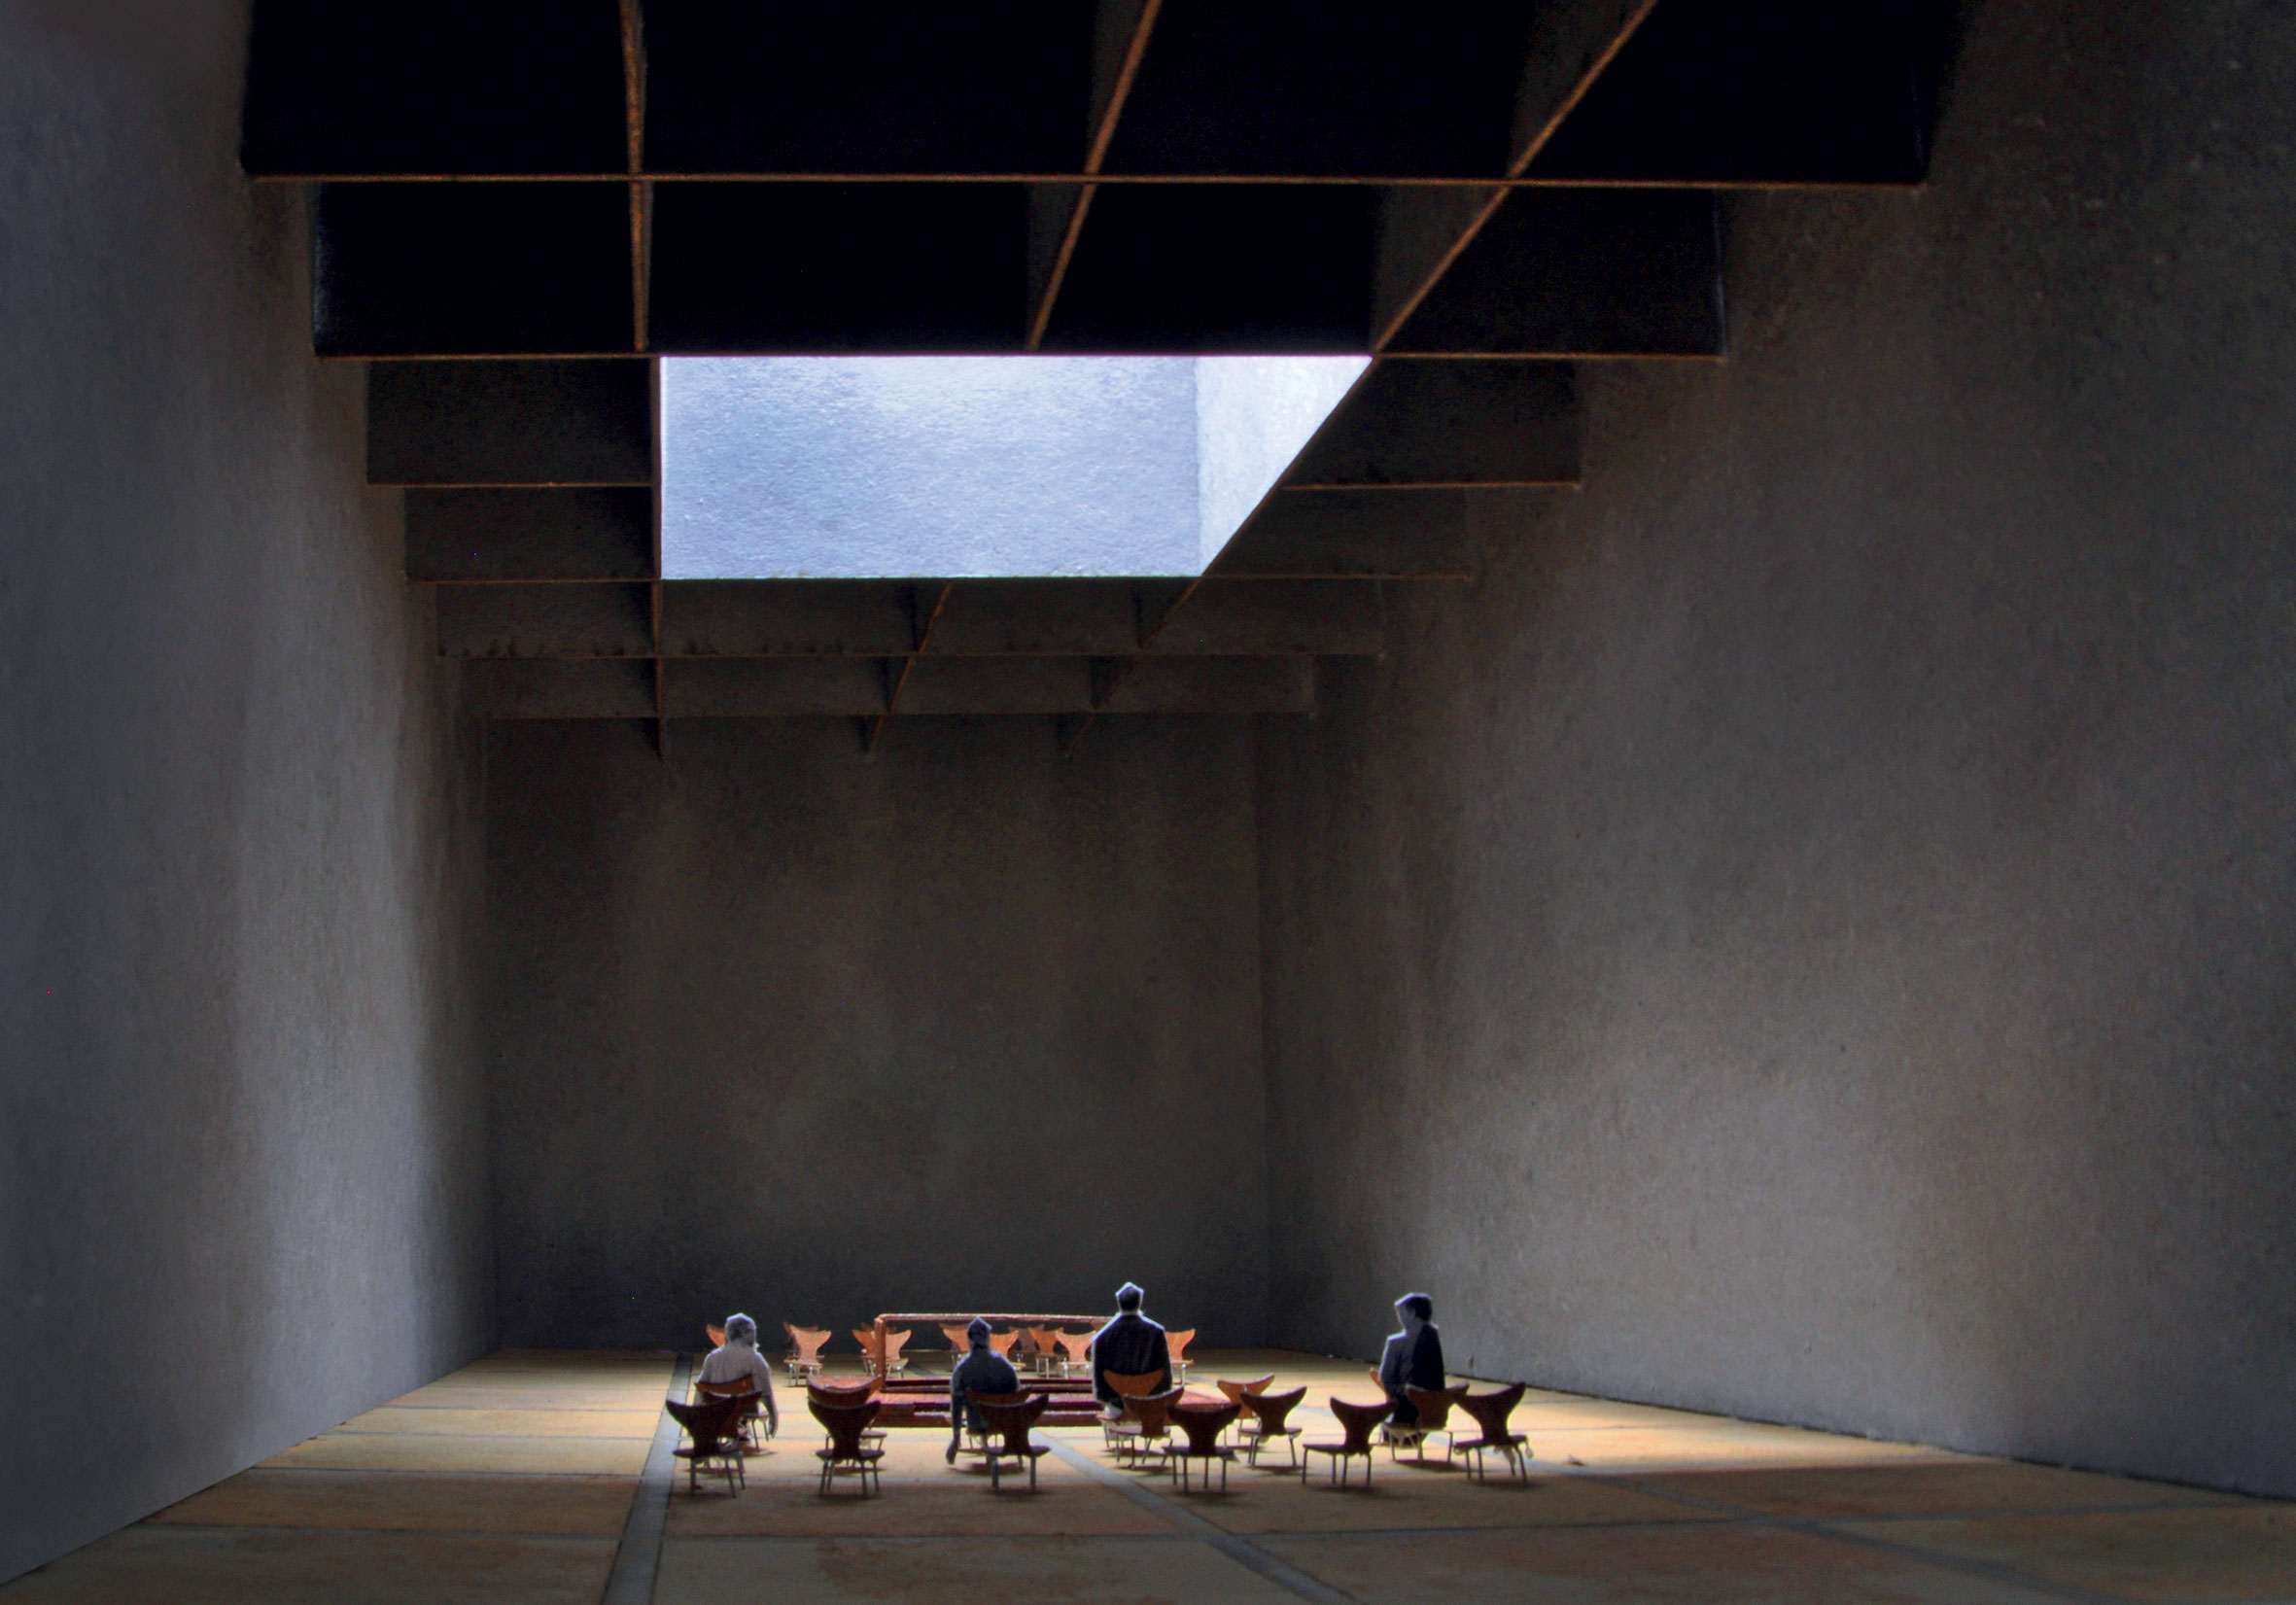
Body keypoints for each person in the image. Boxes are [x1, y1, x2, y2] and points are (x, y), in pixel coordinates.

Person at [1089, 1281, 1170, 1416]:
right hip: (1149, 1405)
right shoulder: (1156, 1333)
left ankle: (1117, 1436)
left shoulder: (1102, 1337)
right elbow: (1165, 1378)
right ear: (1140, 1302)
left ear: (1119, 1302)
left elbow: (1100, 1386)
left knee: (1108, 1416)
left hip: (1117, 1408)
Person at [946, 1316, 1021, 1464]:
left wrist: (956, 1438)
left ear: (970, 1340)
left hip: (977, 1423)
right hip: (1004, 1421)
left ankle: (985, 1445)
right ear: (988, 1338)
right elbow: (1017, 1392)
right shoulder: (1004, 1365)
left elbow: (957, 1405)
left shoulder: (962, 1369)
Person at [696, 1313, 780, 1438]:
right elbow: (765, 1393)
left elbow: (701, 1387)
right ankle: (741, 1427)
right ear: (747, 1333)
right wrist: (773, 1417)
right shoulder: (755, 1358)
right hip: (744, 1408)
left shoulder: (712, 1357)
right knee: (748, 1398)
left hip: (716, 1407)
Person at [1377, 1293, 1445, 1427]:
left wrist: (1400, 1394)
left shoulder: (1396, 1343)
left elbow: (1386, 1377)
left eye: (1400, 1313)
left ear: (1412, 1313)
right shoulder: (1432, 1336)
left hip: (1408, 1405)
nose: (1399, 1318)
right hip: (1432, 1407)